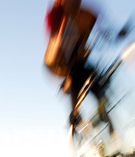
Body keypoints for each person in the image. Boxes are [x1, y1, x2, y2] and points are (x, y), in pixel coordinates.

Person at [44, 0, 119, 133]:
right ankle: (74, 114)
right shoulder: (56, 14)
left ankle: (110, 127)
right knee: (76, 70)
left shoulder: (88, 14)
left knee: (96, 81)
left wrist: (119, 35)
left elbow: (106, 34)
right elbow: (55, 38)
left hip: (79, 60)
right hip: (55, 64)